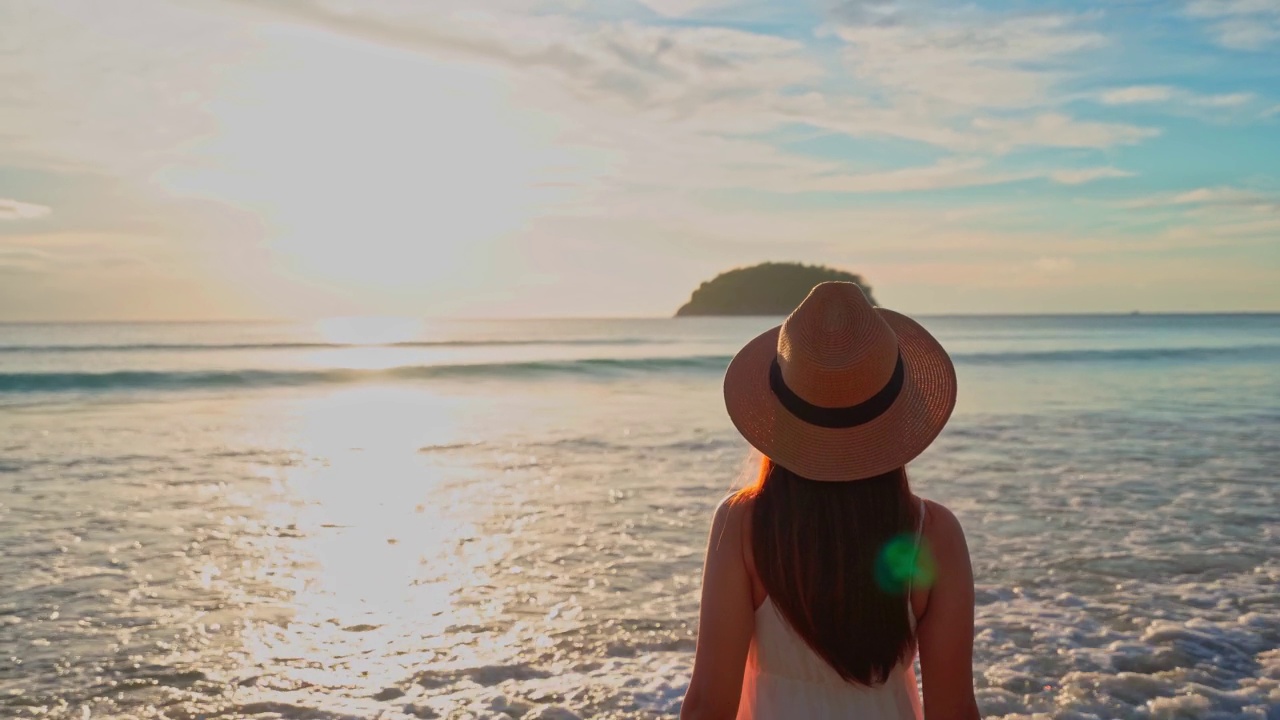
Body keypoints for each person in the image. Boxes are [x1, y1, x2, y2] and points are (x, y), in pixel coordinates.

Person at [681, 282, 979, 720]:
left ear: (778, 413)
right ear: (896, 413)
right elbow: (953, 711)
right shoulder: (933, 534)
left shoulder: (742, 525)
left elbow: (709, 703)